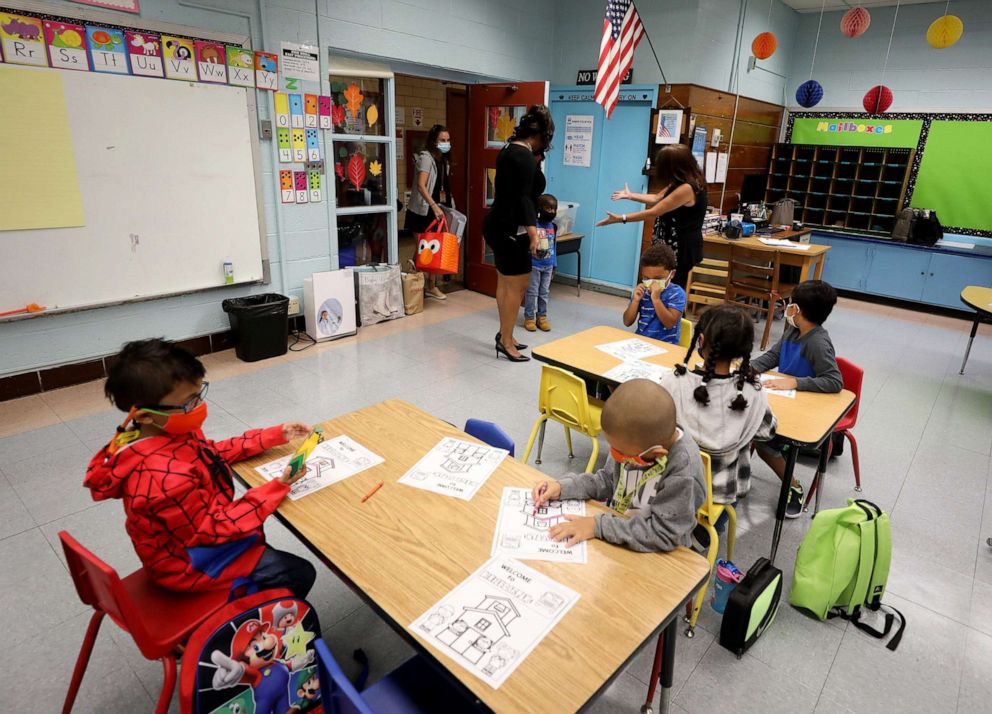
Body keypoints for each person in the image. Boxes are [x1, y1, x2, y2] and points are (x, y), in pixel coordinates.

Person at [84, 338, 317, 597]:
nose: (200, 406)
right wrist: (277, 487)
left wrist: (273, 435)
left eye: (199, 394)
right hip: (191, 567)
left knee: (266, 547)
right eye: (190, 402)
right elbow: (212, 530)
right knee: (299, 572)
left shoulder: (164, 432)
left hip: (192, 544)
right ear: (145, 415)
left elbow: (210, 453)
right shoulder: (162, 478)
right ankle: (258, 619)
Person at [531, 379, 705, 552]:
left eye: (621, 454)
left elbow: (663, 534)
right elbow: (607, 480)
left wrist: (597, 526)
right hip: (620, 532)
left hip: (658, 553)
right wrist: (562, 488)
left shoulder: (683, 471)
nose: (616, 457)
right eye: (612, 449)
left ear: (657, 453)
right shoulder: (632, 441)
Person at [660, 304, 777, 511]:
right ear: (744, 349)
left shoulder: (674, 381)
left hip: (676, 484)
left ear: (701, 340)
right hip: (721, 493)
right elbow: (767, 432)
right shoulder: (752, 392)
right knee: (722, 508)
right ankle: (714, 525)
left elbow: (657, 425)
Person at [751, 279, 843, 517]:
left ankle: (794, 487)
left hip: (805, 410)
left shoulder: (818, 342)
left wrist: (796, 382)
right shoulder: (793, 330)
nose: (787, 307)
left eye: (791, 304)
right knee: (746, 422)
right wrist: (746, 369)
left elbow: (834, 382)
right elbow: (771, 357)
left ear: (798, 311)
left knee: (764, 444)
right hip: (783, 400)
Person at [482, 105, 555, 362]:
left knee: (506, 283)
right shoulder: (523, 156)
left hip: (499, 224)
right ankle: (505, 340)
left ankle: (506, 335)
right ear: (541, 137)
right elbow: (524, 198)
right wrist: (534, 234)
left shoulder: (509, 148)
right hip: (511, 229)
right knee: (517, 286)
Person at [597, 144, 708, 288]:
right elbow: (657, 198)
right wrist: (630, 196)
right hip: (670, 243)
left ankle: (672, 311)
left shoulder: (687, 188)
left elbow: (655, 211)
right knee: (662, 289)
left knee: (670, 292)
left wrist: (621, 218)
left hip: (680, 247)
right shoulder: (682, 180)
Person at [406, 123, 453, 301]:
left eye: (448, 140)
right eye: (442, 140)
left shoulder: (442, 159)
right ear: (434, 141)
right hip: (421, 210)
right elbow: (421, 185)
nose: (446, 143)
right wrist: (433, 205)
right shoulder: (426, 158)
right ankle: (415, 285)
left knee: (433, 248)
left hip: (435, 208)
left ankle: (431, 286)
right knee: (422, 250)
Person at [623, 243, 687, 345]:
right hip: (641, 342)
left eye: (658, 279)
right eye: (647, 278)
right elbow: (627, 322)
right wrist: (635, 301)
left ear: (672, 274)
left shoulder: (677, 294)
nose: (652, 283)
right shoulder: (642, 291)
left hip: (667, 345)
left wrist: (656, 300)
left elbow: (670, 323)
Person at [524, 193, 558, 332]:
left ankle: (542, 317)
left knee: (544, 292)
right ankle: (529, 317)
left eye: (553, 209)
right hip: (534, 265)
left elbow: (554, 246)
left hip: (548, 265)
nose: (550, 212)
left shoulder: (553, 226)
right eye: (547, 208)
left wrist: (554, 264)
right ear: (539, 208)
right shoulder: (533, 226)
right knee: (532, 292)